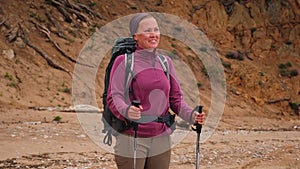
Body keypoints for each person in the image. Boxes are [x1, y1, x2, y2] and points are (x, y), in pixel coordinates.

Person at [106, 13, 206, 169]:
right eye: (147, 30)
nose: (153, 34)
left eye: (156, 29)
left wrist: (191, 115)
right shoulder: (124, 62)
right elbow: (114, 96)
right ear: (135, 36)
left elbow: (176, 99)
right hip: (132, 136)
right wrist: (126, 110)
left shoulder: (166, 63)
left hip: (161, 139)